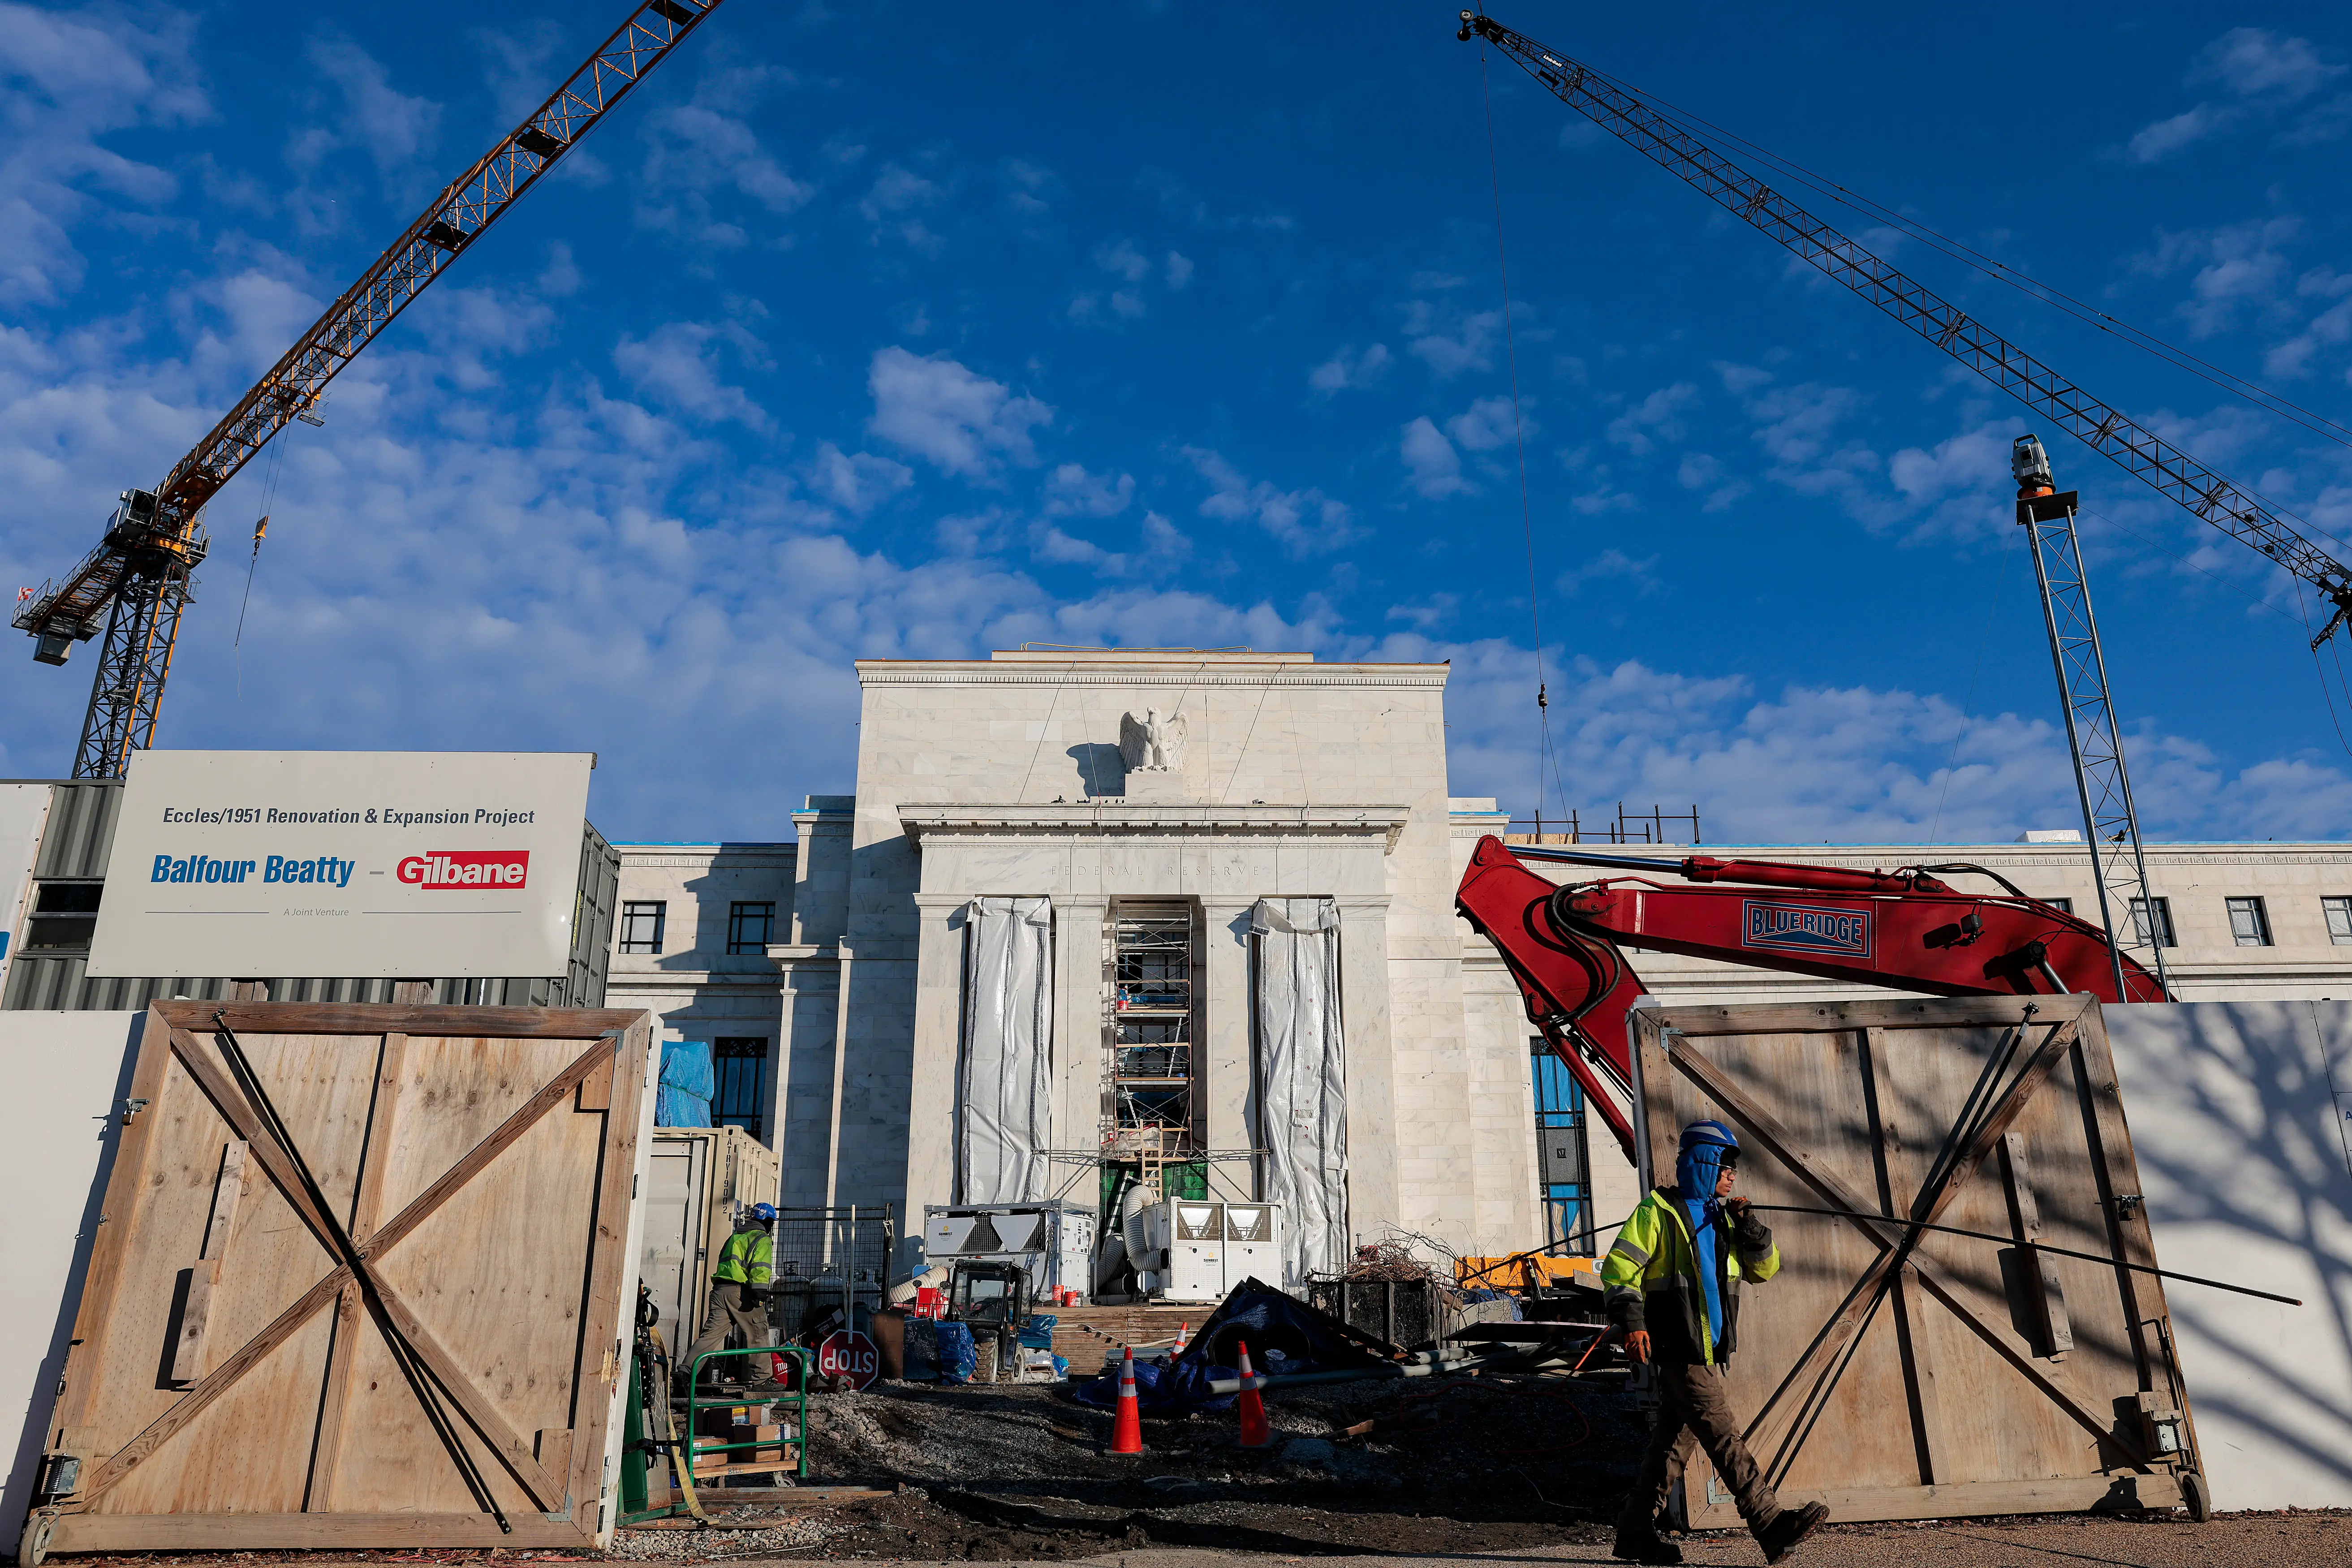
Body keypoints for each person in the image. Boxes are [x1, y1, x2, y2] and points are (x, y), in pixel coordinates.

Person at [1602, 1121, 1829, 1566]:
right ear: (1705, 1163)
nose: (1733, 1174)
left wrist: (1753, 1228)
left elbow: (1764, 1269)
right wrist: (1632, 1322)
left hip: (1705, 1351)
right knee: (1725, 1436)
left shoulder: (1725, 1218)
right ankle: (1770, 1523)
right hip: (1679, 1350)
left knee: (1671, 1445)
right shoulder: (1658, 1213)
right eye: (1726, 1165)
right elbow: (1618, 1269)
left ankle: (1634, 1532)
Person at [683, 1202, 783, 1390]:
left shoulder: (735, 1237)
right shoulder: (762, 1238)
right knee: (758, 1332)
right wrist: (759, 1293)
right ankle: (762, 1380)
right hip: (741, 1292)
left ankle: (685, 1373)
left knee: (710, 1335)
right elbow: (760, 1268)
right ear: (769, 1221)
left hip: (720, 1291)